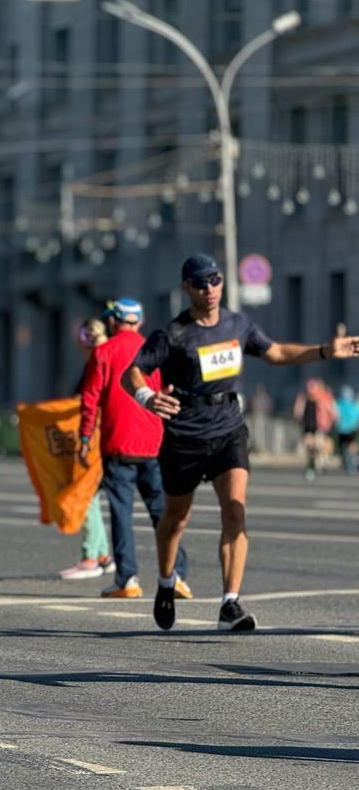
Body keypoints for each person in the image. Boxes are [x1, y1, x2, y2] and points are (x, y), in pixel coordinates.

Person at [124, 254, 359, 632]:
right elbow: (133, 371)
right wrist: (146, 397)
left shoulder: (237, 324)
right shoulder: (173, 334)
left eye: (215, 280)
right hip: (185, 434)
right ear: (187, 288)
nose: (210, 289)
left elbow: (277, 352)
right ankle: (166, 582)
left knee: (235, 511)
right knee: (175, 520)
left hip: (229, 428)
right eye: (201, 283)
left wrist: (325, 351)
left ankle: (229, 604)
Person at [79, 299, 191, 600]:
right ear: (138, 322)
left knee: (121, 513)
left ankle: (127, 579)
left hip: (117, 443)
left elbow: (90, 398)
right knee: (162, 511)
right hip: (154, 442)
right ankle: (177, 574)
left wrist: (85, 438)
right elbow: (169, 390)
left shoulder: (103, 352)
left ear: (114, 322)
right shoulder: (152, 351)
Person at [60, 317, 114, 581]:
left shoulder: (99, 363)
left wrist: (82, 439)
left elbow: (90, 403)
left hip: (96, 439)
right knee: (90, 495)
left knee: (85, 494)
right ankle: (103, 556)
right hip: (102, 437)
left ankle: (91, 557)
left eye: (88, 338)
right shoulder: (100, 362)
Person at [293, 377, 336, 480]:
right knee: (309, 448)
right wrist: (297, 417)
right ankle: (311, 466)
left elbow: (330, 411)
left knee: (319, 445)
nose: (311, 391)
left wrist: (330, 421)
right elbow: (297, 412)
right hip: (307, 426)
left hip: (319, 426)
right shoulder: (303, 398)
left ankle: (320, 463)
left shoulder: (322, 398)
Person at [336, 386, 358, 476]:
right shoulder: (353, 404)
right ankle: (351, 461)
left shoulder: (340, 403)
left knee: (343, 447)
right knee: (350, 446)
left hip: (343, 429)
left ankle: (348, 462)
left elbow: (335, 414)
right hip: (351, 428)